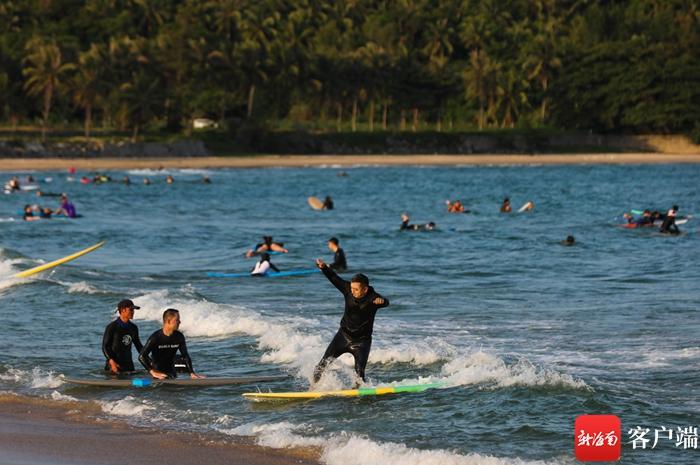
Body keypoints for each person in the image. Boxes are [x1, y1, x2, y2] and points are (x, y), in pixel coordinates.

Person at [312, 259, 389, 386]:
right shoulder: (348, 289)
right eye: (352, 288)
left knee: (359, 375)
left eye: (356, 289)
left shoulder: (373, 298)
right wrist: (324, 267)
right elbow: (334, 278)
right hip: (343, 336)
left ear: (365, 289)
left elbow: (386, 302)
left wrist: (382, 302)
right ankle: (312, 388)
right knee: (322, 365)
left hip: (362, 342)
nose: (352, 291)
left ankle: (356, 395)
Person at [139, 309, 203, 379]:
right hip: (158, 374)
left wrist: (191, 373)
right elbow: (142, 356)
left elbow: (185, 355)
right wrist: (152, 372)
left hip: (172, 372)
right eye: (177, 320)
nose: (180, 322)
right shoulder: (156, 337)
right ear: (169, 321)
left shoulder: (179, 336)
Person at [102, 299, 143, 374]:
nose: (133, 312)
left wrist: (150, 361)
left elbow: (139, 346)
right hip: (114, 365)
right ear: (123, 310)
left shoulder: (133, 328)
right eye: (131, 310)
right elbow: (105, 346)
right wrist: (112, 362)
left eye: (133, 310)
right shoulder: (112, 327)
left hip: (129, 365)